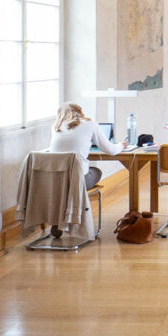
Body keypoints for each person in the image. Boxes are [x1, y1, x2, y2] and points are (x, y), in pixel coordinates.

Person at [49, 102, 128, 237]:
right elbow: (110, 150)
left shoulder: (55, 128)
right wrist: (122, 145)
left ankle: (59, 222)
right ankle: (76, 218)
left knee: (66, 184)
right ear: (80, 112)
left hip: (54, 182)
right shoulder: (89, 124)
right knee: (96, 172)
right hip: (78, 180)